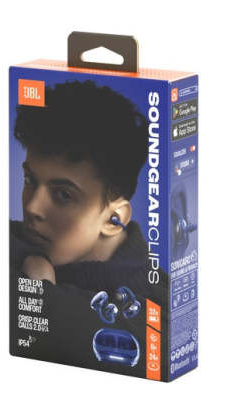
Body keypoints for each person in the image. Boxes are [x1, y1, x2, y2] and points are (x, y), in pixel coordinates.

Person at [10, 80, 168, 378]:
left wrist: (40, 293)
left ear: (113, 219)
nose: (32, 207)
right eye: (30, 180)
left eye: (63, 194)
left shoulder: (158, 313)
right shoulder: (12, 242)